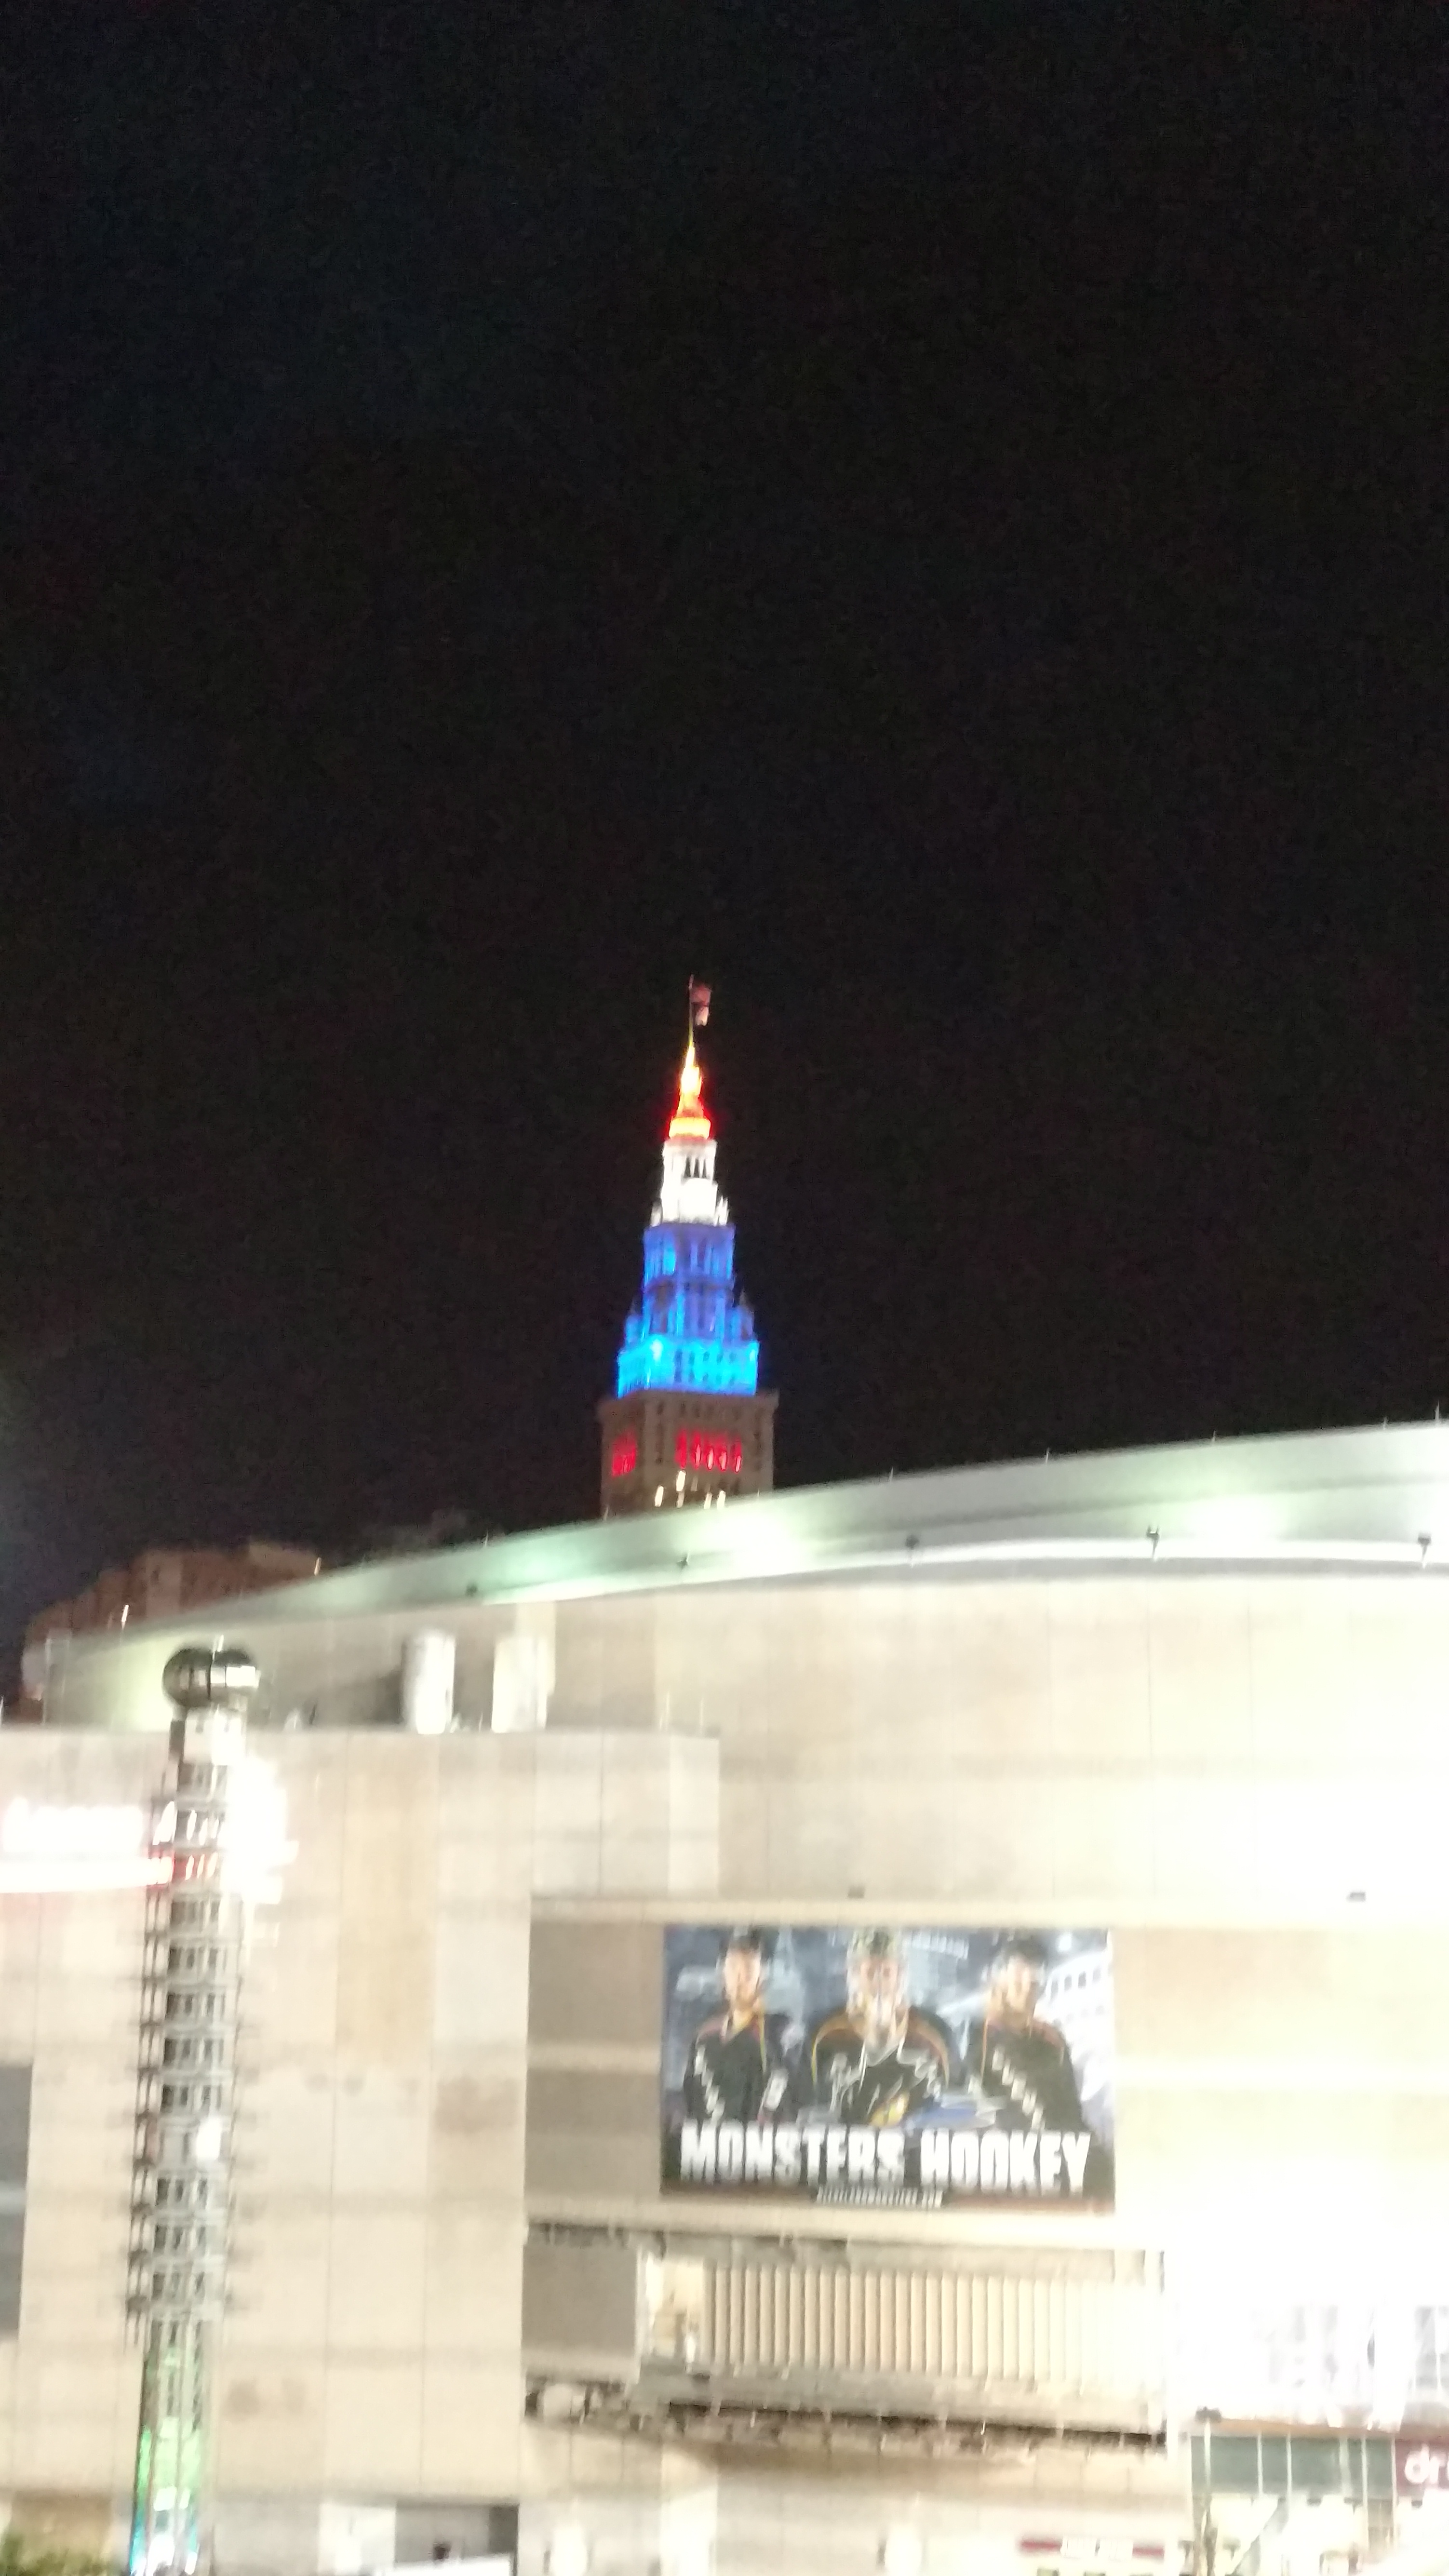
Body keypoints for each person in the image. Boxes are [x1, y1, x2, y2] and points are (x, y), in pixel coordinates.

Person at [804, 1928, 952, 2126]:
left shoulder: (934, 2032)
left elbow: (955, 2102)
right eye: (870, 1973)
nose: (879, 1983)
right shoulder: (825, 2032)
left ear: (901, 1976)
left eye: (887, 1973)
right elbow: (806, 2103)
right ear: (853, 1975)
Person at [962, 1935, 1089, 2132]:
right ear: (999, 1978)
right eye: (1020, 1971)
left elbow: (1072, 2116)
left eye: (1036, 1973)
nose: (1029, 1982)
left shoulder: (1052, 2042)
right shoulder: (978, 2038)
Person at [681, 1927, 794, 2121]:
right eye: (733, 1966)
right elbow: (690, 2104)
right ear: (723, 1971)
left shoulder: (781, 2037)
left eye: (749, 1967)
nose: (740, 1978)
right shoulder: (704, 2038)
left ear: (763, 1974)